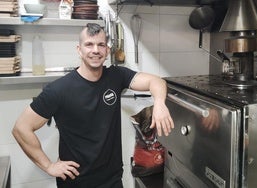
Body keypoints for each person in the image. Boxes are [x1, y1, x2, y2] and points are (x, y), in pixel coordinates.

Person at [12, 23, 174, 188]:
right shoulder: (58, 90)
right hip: (76, 182)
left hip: (112, 181)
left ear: (107, 50)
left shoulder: (117, 76)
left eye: (101, 45)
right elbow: (21, 128)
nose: (95, 50)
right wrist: (48, 166)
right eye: (89, 44)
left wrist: (159, 103)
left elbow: (156, 81)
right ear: (79, 49)